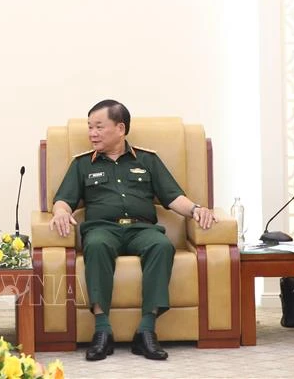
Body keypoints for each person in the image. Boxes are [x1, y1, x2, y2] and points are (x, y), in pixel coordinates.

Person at [49, 100, 216, 361]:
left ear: (120, 128)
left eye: (99, 127)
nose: (92, 133)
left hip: (141, 229)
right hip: (102, 229)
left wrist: (196, 210)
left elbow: (173, 197)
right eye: (90, 127)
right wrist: (60, 212)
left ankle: (146, 332)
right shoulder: (82, 164)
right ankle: (102, 331)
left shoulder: (148, 160)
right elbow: (63, 199)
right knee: (95, 245)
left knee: (162, 246)